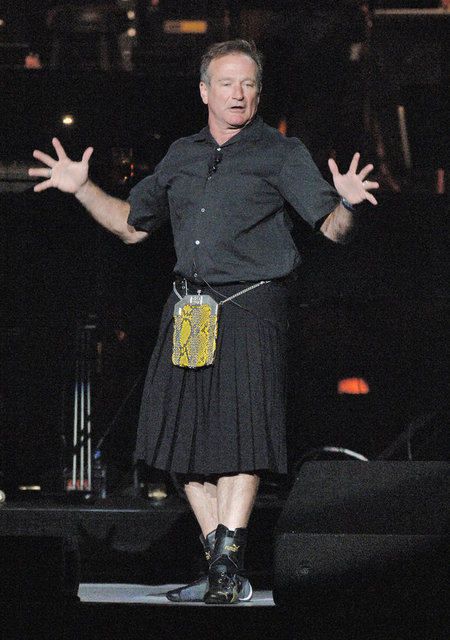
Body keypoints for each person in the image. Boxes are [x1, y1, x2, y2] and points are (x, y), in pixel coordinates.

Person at [29, 39, 378, 604]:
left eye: (248, 84)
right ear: (204, 91)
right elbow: (131, 226)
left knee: (242, 439)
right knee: (179, 443)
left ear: (258, 92)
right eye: (226, 83)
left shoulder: (281, 153)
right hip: (189, 311)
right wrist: (83, 188)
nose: (237, 94)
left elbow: (333, 230)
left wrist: (350, 204)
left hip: (251, 307)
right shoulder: (182, 154)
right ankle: (222, 565)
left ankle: (226, 567)